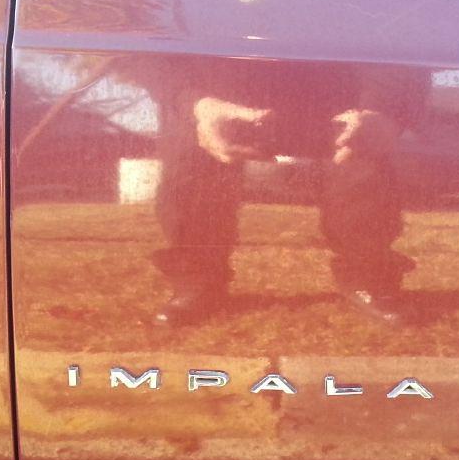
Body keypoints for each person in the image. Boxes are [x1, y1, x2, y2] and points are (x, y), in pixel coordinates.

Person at [151, 56, 427, 326]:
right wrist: (193, 102)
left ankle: (369, 279)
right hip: (219, 90)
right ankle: (197, 280)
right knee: (191, 151)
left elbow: (401, 45)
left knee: (360, 155)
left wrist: (382, 108)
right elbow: (150, 52)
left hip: (335, 87)